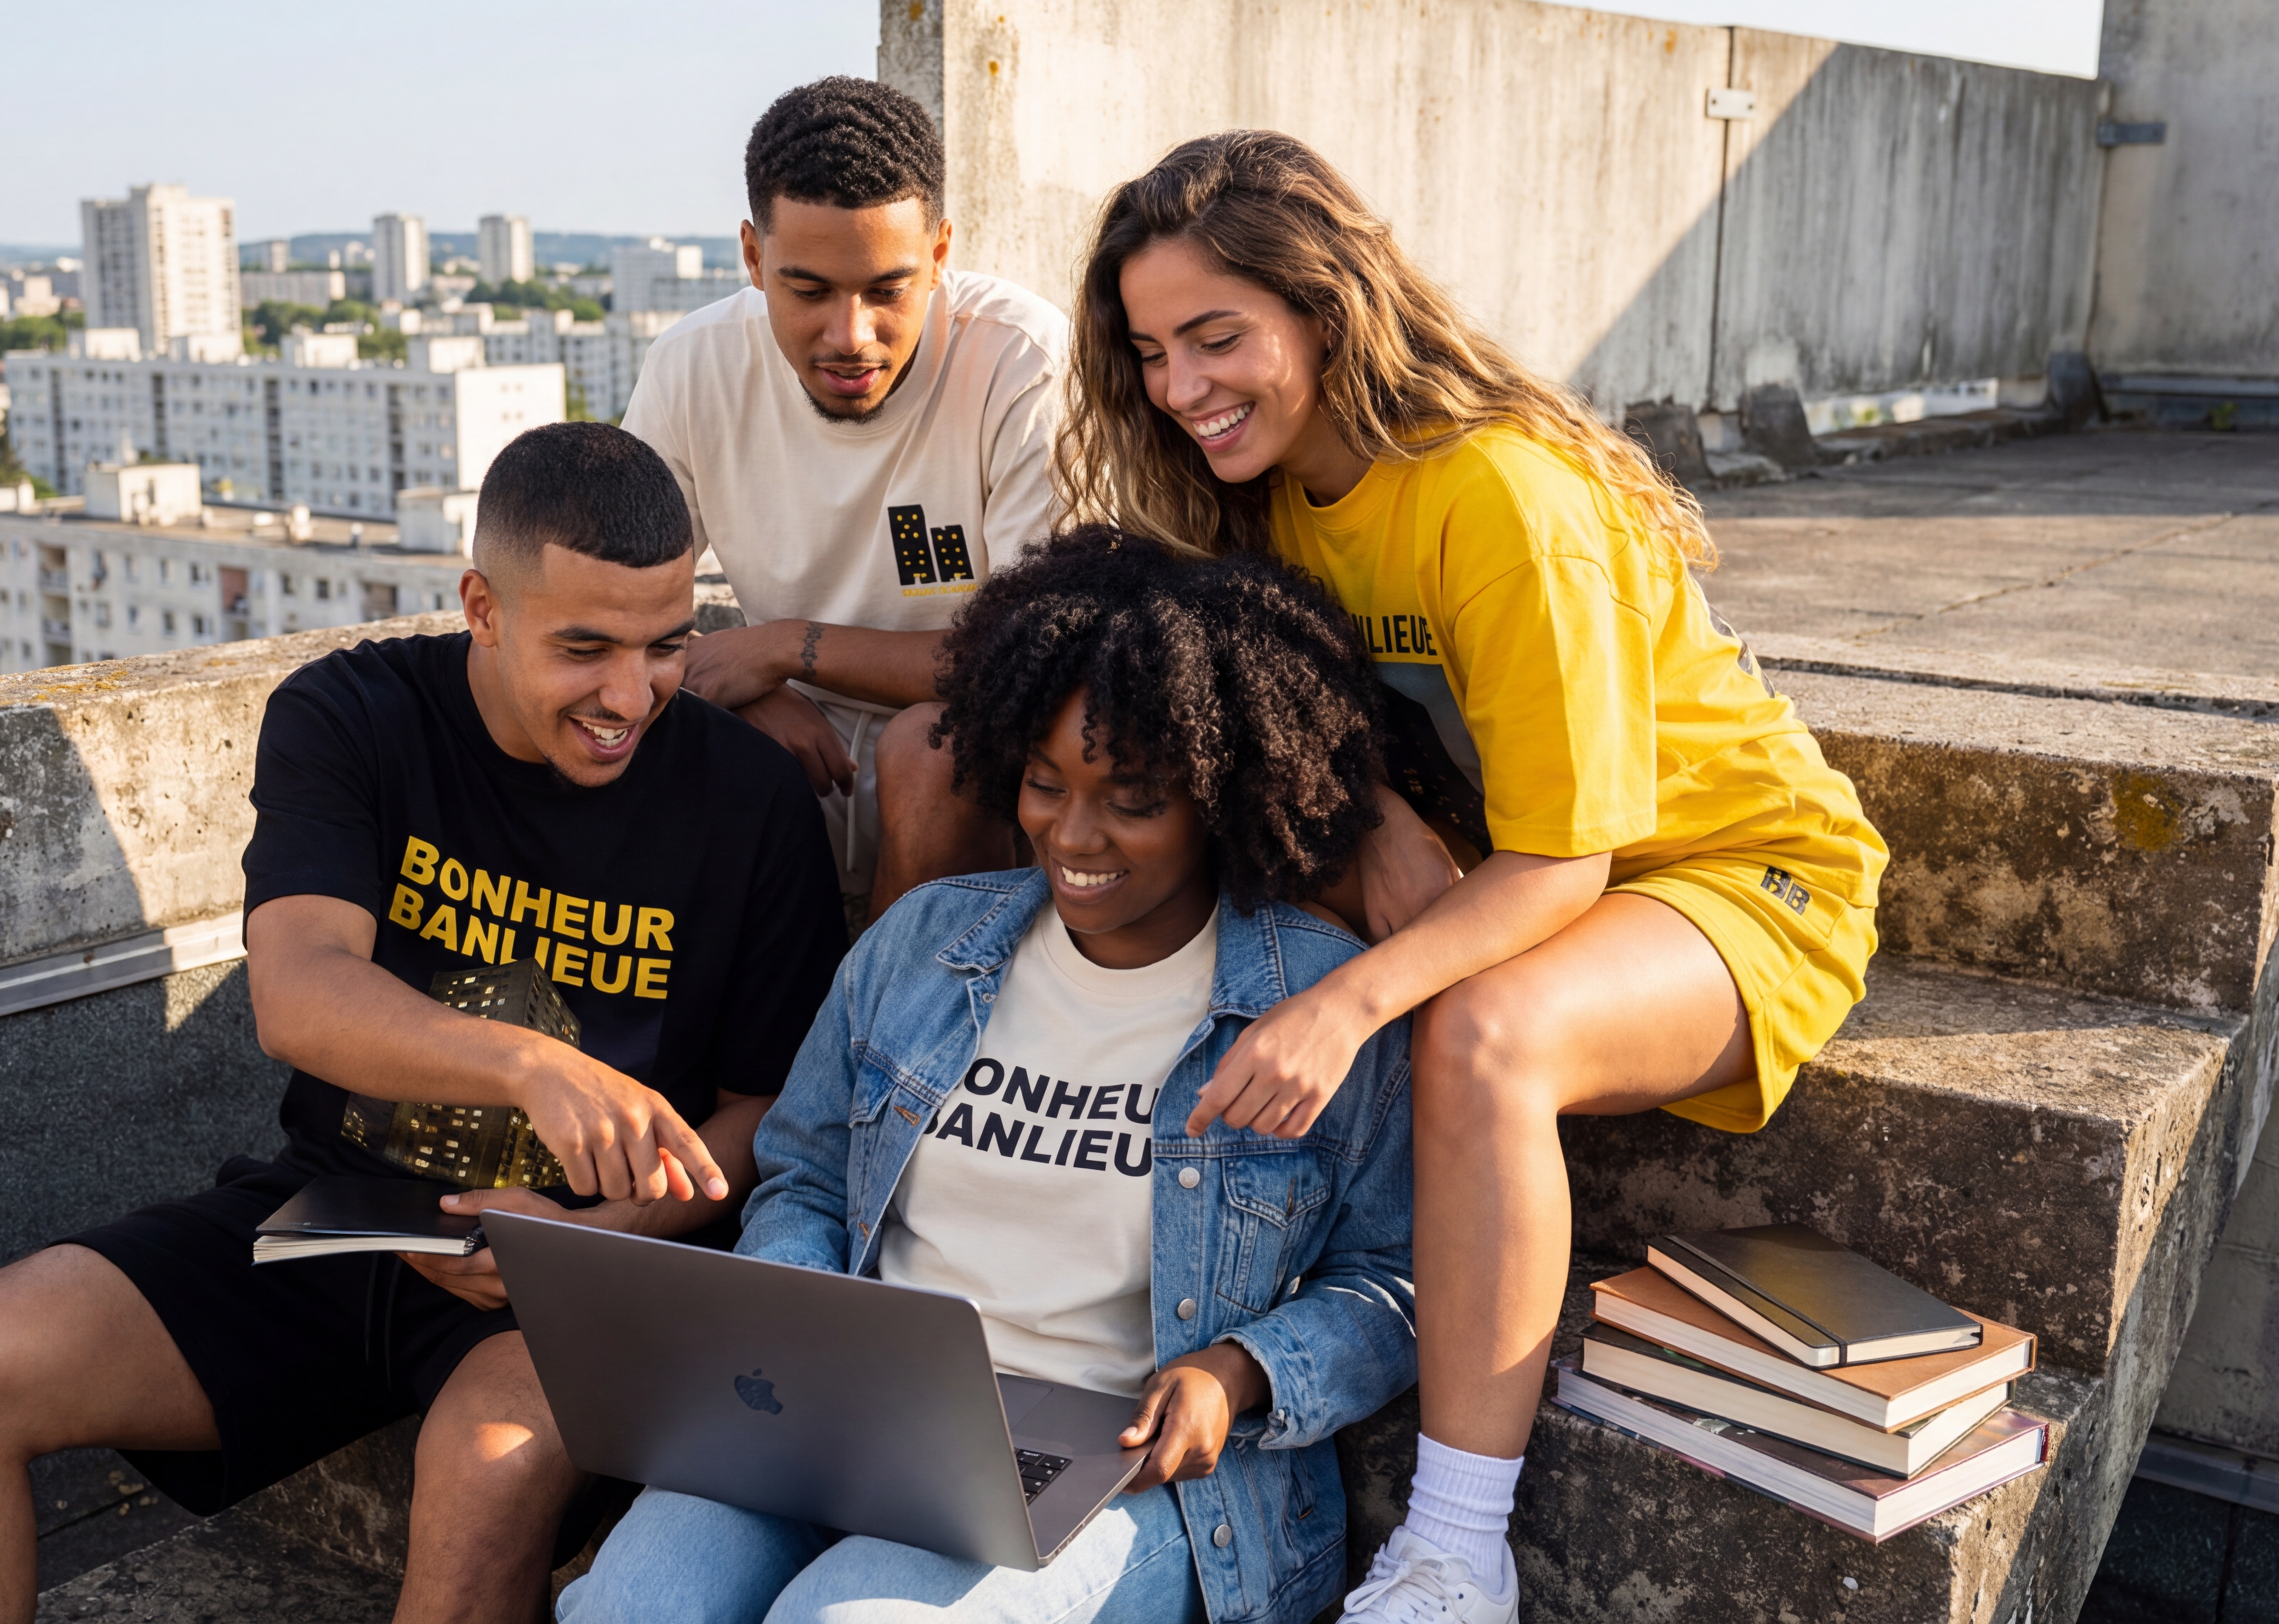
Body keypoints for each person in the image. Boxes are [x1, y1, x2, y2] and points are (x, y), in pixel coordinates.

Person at [1056, 132, 1891, 1623]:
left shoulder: (1498, 495)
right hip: (1539, 869)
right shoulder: (1267, 490)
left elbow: (1565, 858)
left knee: (1475, 1033)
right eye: (1152, 351)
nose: (1180, 386)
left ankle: (1454, 1552)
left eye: (1217, 338)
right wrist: (1370, 808)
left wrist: (1347, 1008)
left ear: (1326, 308)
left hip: (1740, 874)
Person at [0, 423, 847, 1624]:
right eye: (584, 648)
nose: (629, 696)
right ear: (483, 608)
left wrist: (590, 1238)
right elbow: (298, 992)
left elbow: (769, 1118)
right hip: (342, 1214)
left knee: (487, 1471)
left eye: (666, 646)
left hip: (592, 1270)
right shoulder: (354, 713)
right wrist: (532, 1068)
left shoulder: (747, 796)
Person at [558, 528, 1420, 1624]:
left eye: (1132, 801)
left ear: (1219, 792)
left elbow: (1394, 1283)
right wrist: (804, 1328)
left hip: (1123, 1476)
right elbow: (807, 1178)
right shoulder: (923, 946)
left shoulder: (1317, 1006)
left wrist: (1240, 1371)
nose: (1074, 836)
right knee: (627, 1607)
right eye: (1044, 785)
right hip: (855, 1424)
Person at [624, 76, 1071, 926]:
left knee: (934, 751)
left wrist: (787, 647)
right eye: (809, 291)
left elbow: (1036, 662)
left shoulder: (1022, 360)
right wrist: (741, 681)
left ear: (940, 253)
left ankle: (893, 1007)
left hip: (974, 749)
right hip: (790, 740)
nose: (851, 336)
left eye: (887, 290)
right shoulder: (694, 365)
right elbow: (610, 602)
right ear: (754, 258)